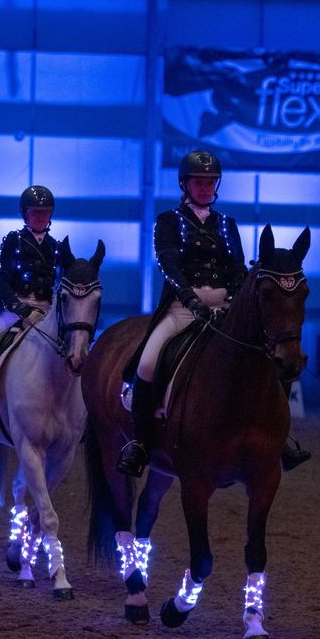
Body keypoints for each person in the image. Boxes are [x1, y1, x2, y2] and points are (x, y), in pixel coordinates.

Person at [116, 150, 247, 477]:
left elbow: (238, 268)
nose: (205, 188)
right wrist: (192, 300)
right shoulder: (169, 222)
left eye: (210, 182)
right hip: (181, 309)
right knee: (146, 364)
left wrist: (232, 299)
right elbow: (169, 265)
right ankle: (141, 444)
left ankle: (276, 438)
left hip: (224, 311)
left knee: (259, 354)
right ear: (185, 184)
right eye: (198, 182)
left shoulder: (227, 225)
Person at [0, 185, 61, 443]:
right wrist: (16, 305)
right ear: (25, 214)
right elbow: (2, 278)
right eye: (34, 212)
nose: (39, 216)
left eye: (44, 212)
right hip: (15, 309)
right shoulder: (13, 240)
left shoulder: (57, 247)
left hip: (47, 311)